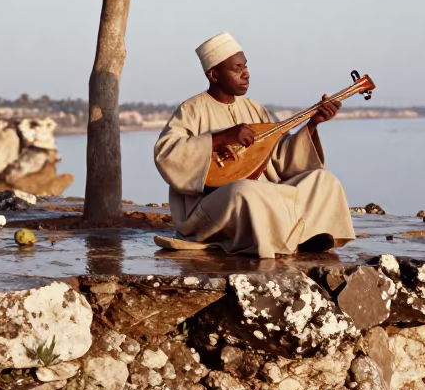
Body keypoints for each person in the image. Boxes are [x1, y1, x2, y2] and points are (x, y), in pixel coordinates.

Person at [153, 32, 356, 258]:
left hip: (262, 192)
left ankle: (306, 237)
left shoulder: (256, 110)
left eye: (245, 66)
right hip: (211, 207)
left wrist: (311, 126)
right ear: (213, 75)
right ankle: (287, 239)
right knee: (245, 190)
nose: (246, 73)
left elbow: (282, 158)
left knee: (324, 180)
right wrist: (219, 138)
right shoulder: (191, 110)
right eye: (236, 68)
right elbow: (167, 153)